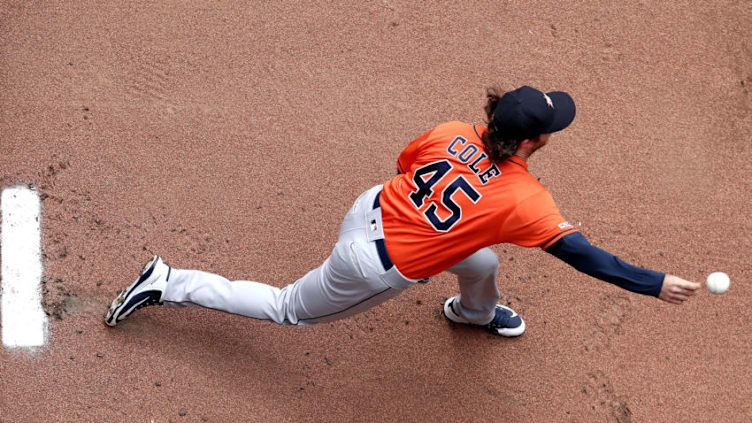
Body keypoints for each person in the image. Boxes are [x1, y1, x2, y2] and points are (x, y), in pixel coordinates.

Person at [104, 85, 700, 336]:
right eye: (548, 132)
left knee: (480, 255)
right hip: (368, 265)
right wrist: (655, 284)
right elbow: (584, 256)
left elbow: (403, 164)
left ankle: (473, 313)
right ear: (528, 143)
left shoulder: (450, 130)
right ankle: (169, 282)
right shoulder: (525, 201)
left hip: (371, 208)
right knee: (288, 310)